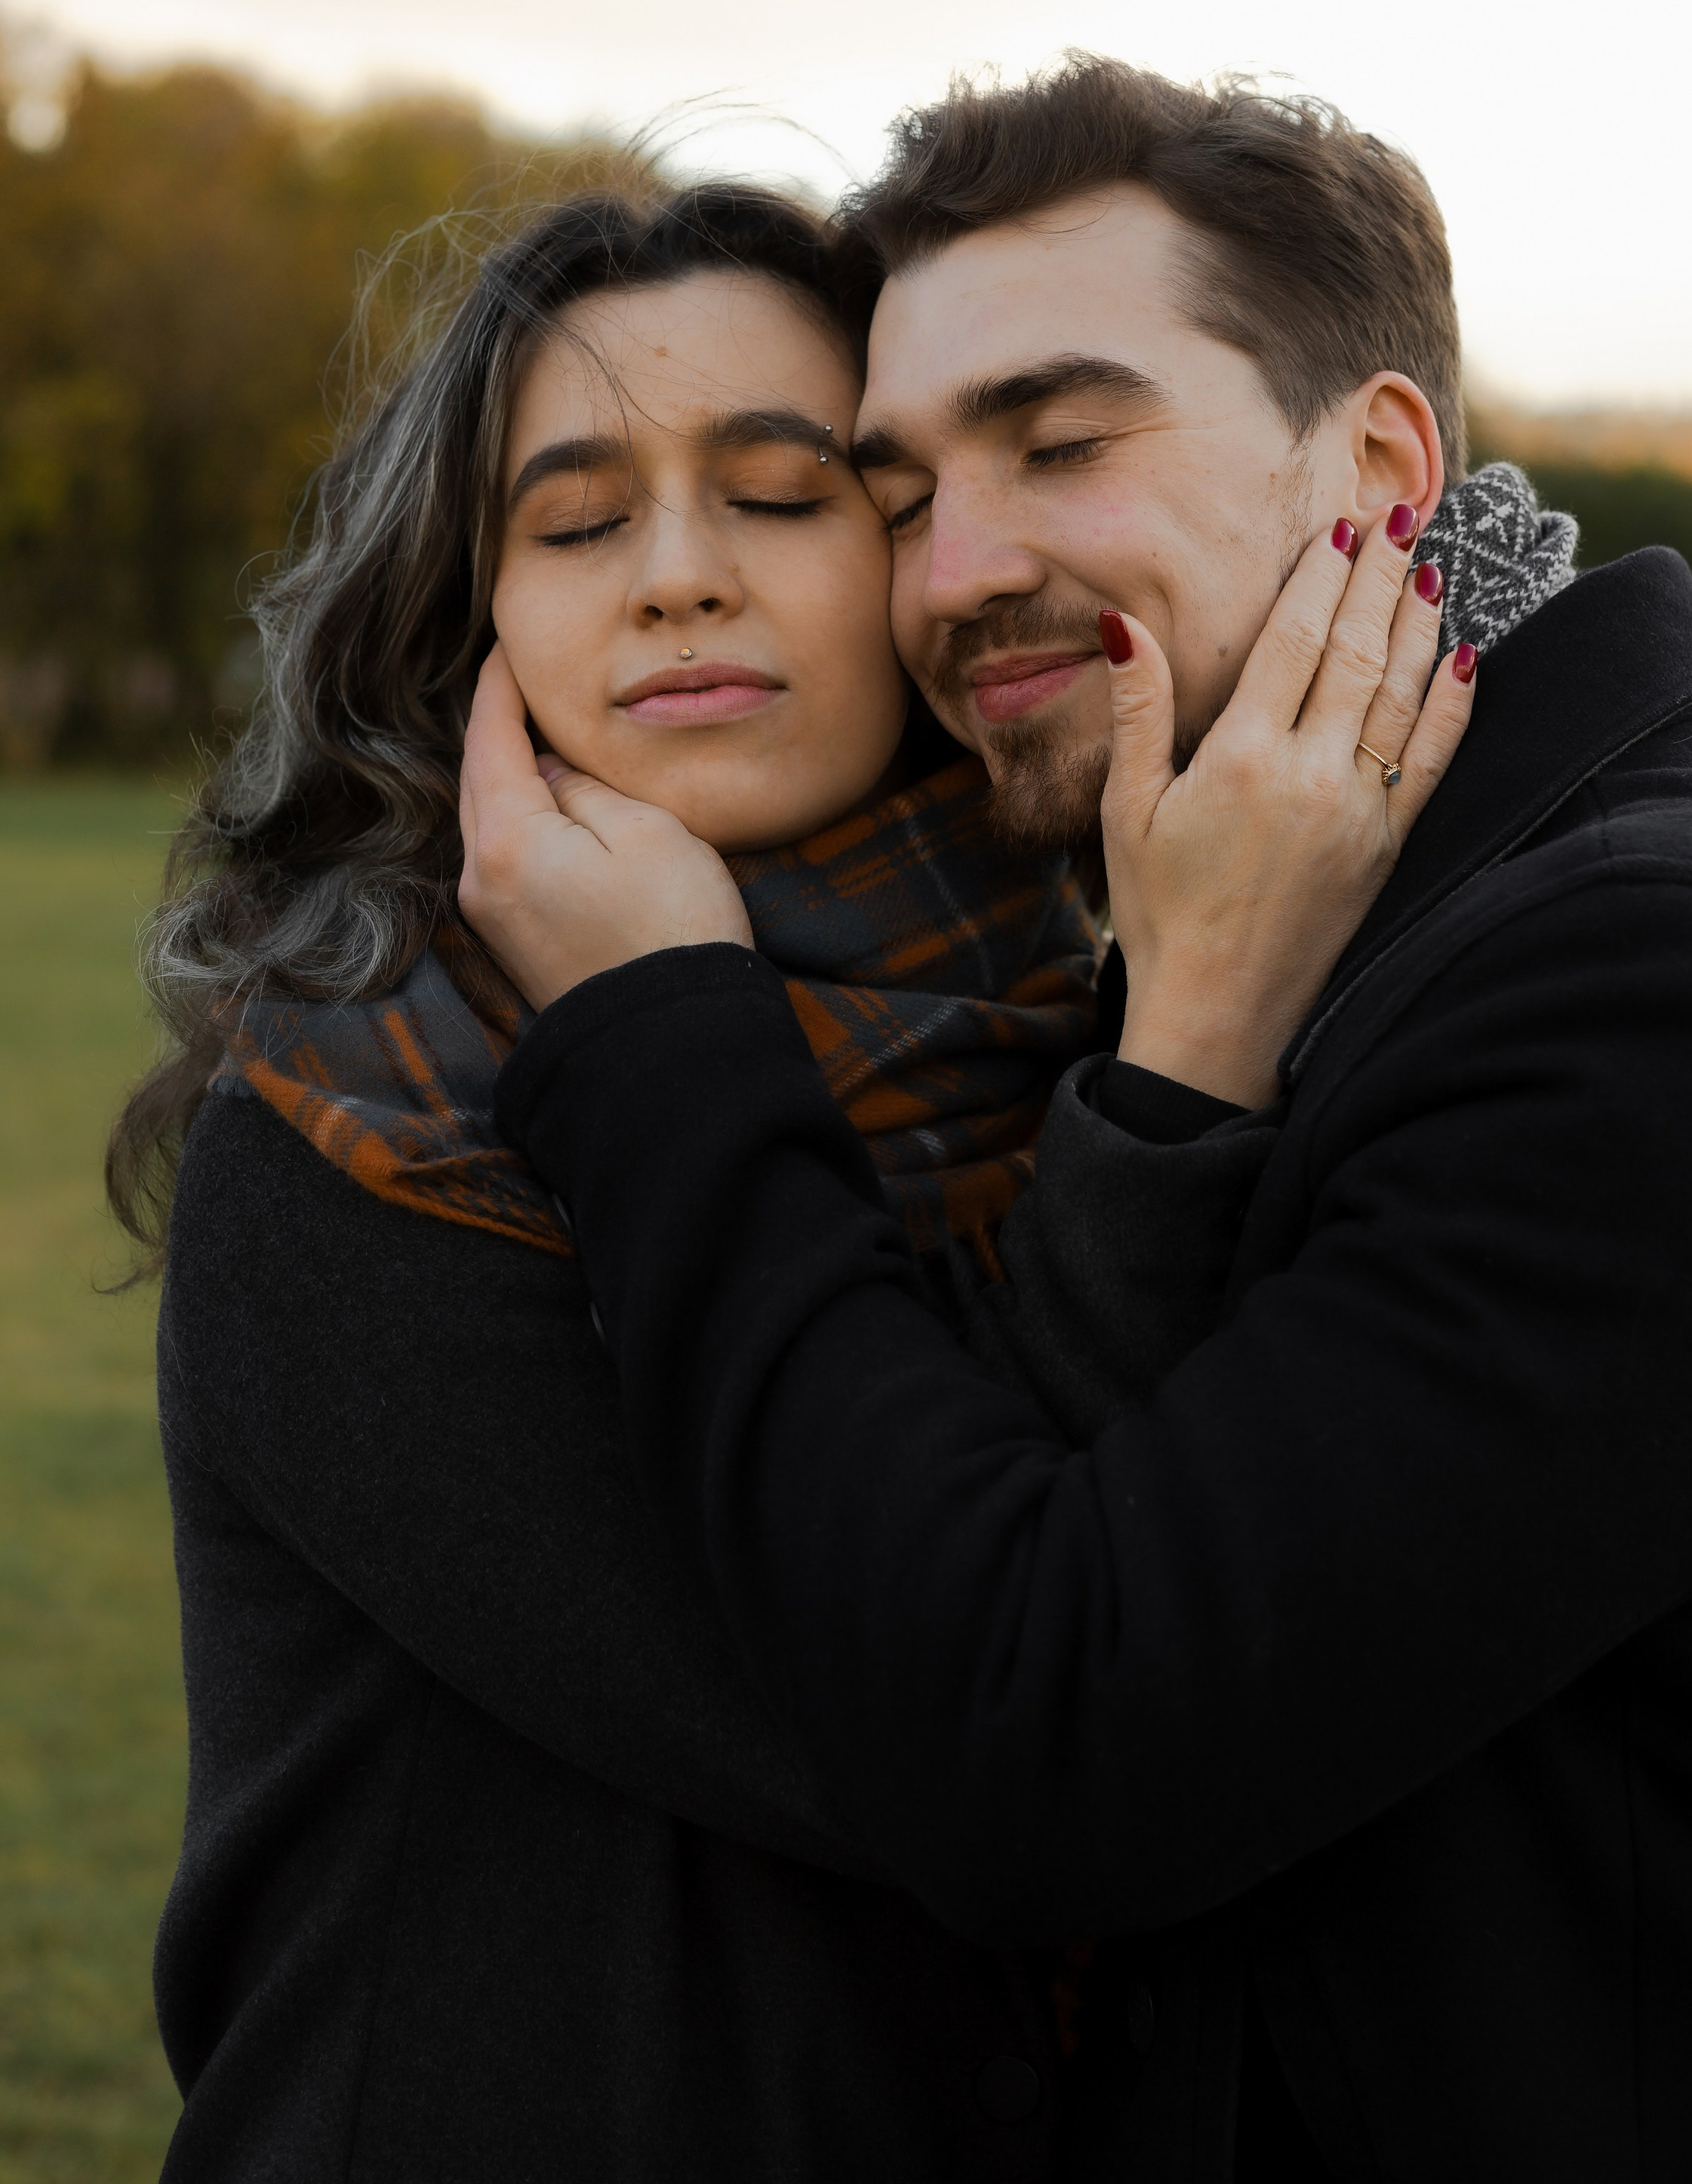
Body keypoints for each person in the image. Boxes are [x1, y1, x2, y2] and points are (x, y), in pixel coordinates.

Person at [463, 57, 1692, 2184]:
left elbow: (1038, 1748)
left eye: (1060, 443)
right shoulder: (1353, 910)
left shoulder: (1667, 994)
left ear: (1386, 457)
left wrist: (665, 1036)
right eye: (895, 493)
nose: (955, 574)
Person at [114, 174, 1468, 2182]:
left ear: (927, 557)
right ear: (471, 613)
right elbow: (954, 1722)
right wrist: (1185, 1079)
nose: (675, 575)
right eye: (574, 521)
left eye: (783, 492)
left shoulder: (1067, 1028)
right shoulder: (356, 1146)